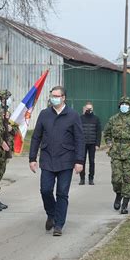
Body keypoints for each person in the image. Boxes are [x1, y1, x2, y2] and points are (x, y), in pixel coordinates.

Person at [29, 86, 85, 236]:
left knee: (62, 193)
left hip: (66, 160)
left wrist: (79, 160)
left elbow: (79, 139)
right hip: (47, 159)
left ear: (63, 97)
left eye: (57, 96)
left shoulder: (72, 115)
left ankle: (59, 224)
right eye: (52, 95)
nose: (54, 98)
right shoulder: (44, 114)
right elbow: (36, 137)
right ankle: (51, 214)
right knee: (45, 190)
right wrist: (32, 158)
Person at [104, 96, 130, 214]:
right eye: (122, 104)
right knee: (116, 178)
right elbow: (107, 133)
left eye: (126, 104)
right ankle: (118, 194)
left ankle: (125, 204)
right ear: (119, 106)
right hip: (116, 152)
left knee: (128, 179)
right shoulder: (113, 119)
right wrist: (109, 143)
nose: (124, 106)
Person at [79, 102, 101, 185]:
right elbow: (77, 131)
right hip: (82, 144)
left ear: (92, 109)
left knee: (92, 161)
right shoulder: (80, 118)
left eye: (90, 109)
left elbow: (99, 132)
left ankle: (91, 179)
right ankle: (82, 179)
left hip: (92, 143)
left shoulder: (96, 119)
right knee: (82, 161)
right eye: (87, 108)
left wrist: (97, 144)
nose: (88, 110)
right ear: (85, 109)